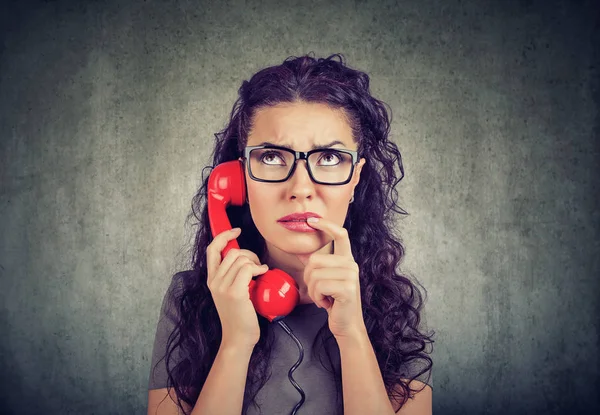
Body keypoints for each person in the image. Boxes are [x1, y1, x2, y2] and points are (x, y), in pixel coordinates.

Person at [147, 53, 434, 415]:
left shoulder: (396, 306)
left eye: (329, 158)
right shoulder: (188, 299)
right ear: (238, 178)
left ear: (356, 177)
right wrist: (236, 341)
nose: (301, 188)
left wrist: (353, 335)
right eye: (271, 157)